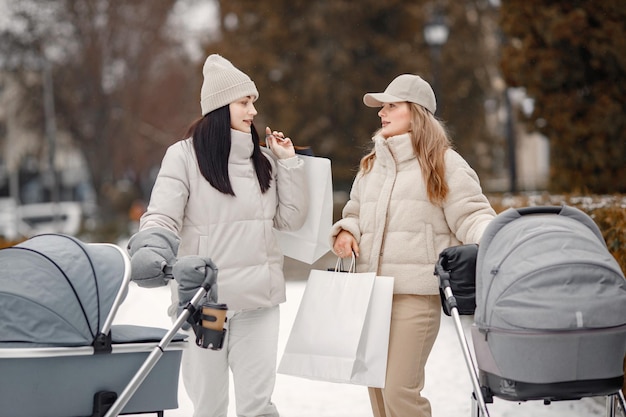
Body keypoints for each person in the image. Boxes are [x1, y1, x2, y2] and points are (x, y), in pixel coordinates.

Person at [128, 54, 308, 417]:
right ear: (220, 107)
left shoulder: (264, 161)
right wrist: (150, 248)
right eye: (244, 102)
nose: (253, 110)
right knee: (209, 406)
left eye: (253, 101)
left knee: (258, 405)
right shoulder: (182, 158)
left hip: (259, 303)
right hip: (203, 306)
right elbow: (162, 215)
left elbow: (291, 219)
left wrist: (288, 163)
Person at [330, 74, 496, 417]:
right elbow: (356, 212)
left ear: (416, 113)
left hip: (415, 297)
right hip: (370, 293)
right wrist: (347, 231)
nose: (382, 113)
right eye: (382, 107)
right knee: (377, 393)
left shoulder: (445, 163)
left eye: (392, 106)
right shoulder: (372, 164)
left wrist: (498, 239)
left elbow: (472, 215)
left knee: (399, 393)